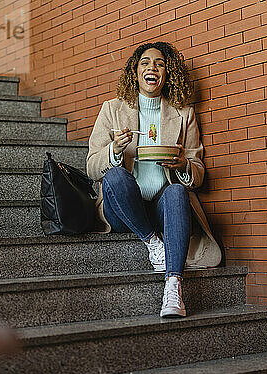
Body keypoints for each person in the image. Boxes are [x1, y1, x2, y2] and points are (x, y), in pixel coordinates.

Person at [86, 41, 222, 318]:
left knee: (177, 193)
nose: (152, 68)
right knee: (115, 176)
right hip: (122, 208)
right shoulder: (112, 109)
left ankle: (173, 285)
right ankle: (152, 242)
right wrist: (114, 149)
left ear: (167, 73)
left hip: (162, 207)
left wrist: (183, 164)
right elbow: (90, 167)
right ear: (135, 72)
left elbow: (197, 173)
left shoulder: (184, 114)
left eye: (160, 63)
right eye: (145, 63)